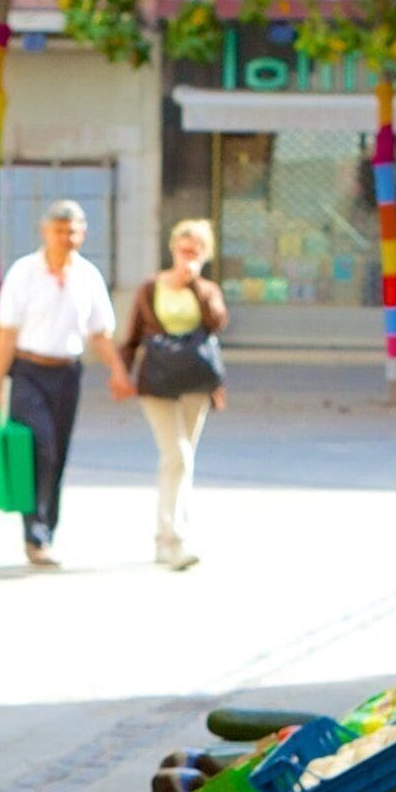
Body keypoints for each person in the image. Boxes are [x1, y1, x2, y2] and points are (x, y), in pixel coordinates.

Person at [0, 199, 123, 567]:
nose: (66, 238)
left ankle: (46, 532)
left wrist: (118, 371)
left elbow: (100, 333)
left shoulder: (88, 276)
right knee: (40, 448)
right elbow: (6, 336)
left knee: (57, 453)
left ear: (83, 234)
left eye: (72, 231)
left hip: (67, 373)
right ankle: (35, 532)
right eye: (59, 231)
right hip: (28, 371)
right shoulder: (23, 273)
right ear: (45, 232)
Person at [114, 216, 227, 570]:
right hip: (158, 380)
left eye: (195, 252)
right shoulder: (151, 288)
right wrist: (121, 373)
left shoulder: (206, 289)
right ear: (172, 249)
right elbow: (133, 335)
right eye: (183, 250)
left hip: (194, 381)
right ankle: (173, 538)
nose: (187, 257)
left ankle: (166, 537)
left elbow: (217, 323)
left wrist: (194, 286)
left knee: (181, 460)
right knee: (176, 453)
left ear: (205, 255)